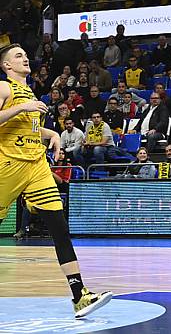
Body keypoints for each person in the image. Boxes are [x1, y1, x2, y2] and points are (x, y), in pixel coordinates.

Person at [0, 44, 112, 317]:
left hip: (36, 165)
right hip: (8, 164)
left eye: (26, 55)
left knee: (59, 226)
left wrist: (52, 135)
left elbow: (31, 130)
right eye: (18, 56)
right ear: (6, 66)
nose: (25, 58)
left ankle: (80, 295)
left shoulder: (30, 94)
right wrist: (22, 107)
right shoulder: (5, 88)